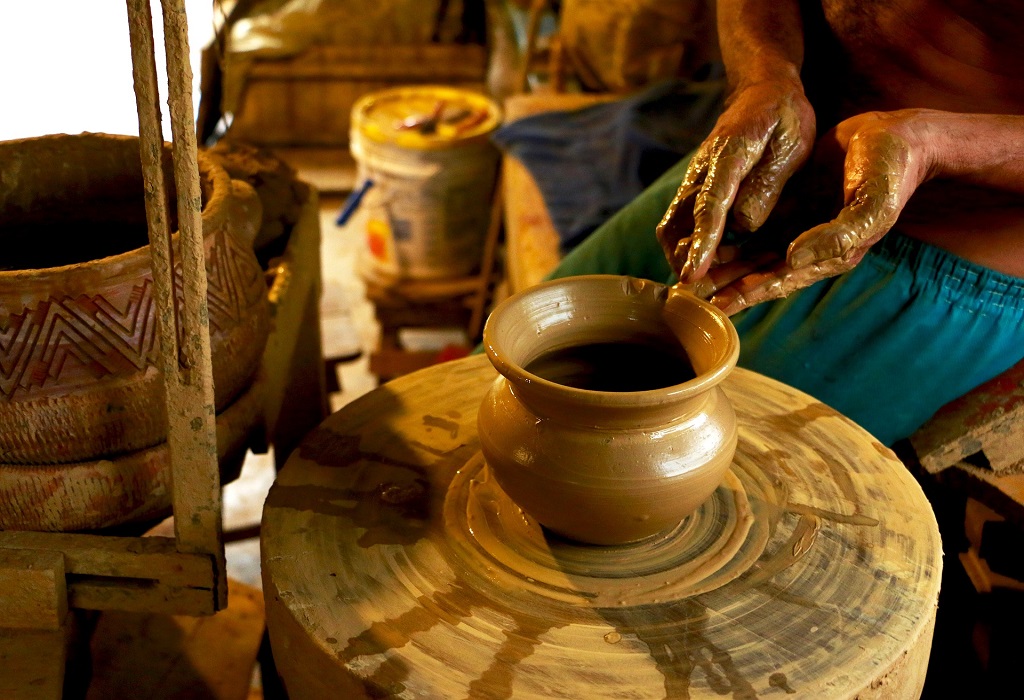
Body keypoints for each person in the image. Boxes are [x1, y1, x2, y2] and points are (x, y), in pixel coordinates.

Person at [547, 0, 1024, 445]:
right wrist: (762, 76)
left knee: (667, 456)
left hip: (940, 247)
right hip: (773, 153)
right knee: (522, 369)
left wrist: (930, 146)